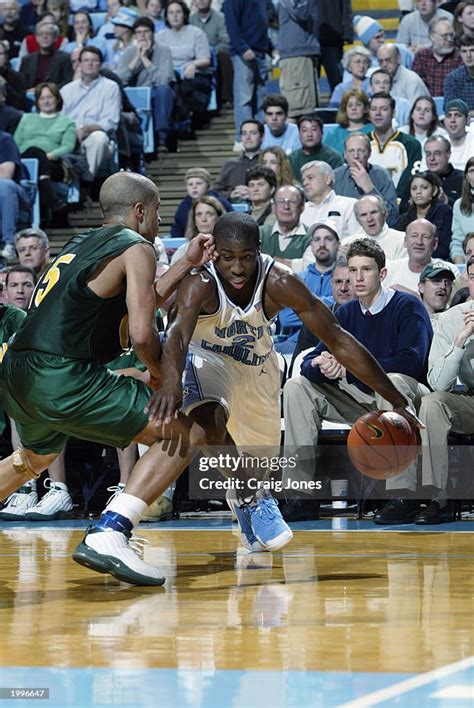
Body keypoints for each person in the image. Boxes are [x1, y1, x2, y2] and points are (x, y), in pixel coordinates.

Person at [144, 214, 420, 562]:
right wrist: (171, 381)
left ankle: (247, 504)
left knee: (254, 465)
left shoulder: (280, 280)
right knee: (210, 421)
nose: (238, 267)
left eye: (246, 256)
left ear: (260, 251)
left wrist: (395, 400)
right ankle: (252, 498)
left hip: (258, 370)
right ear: (215, 253)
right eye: (228, 256)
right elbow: (178, 335)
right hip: (207, 362)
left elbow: (337, 339)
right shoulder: (200, 281)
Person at [0, 171, 217, 586]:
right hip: (60, 373)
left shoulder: (83, 243)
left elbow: (140, 300)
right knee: (184, 435)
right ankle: (111, 531)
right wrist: (161, 377)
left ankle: (110, 528)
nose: (158, 221)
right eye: (156, 212)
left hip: (17, 370)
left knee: (32, 460)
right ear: (140, 211)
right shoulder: (138, 247)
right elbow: (139, 333)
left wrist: (188, 262)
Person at [282, 238, 432, 525]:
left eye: (366, 270)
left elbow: (411, 363)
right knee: (297, 386)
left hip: (407, 399)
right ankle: (300, 496)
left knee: (392, 381)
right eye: (353, 270)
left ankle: (403, 495)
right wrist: (319, 364)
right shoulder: (346, 312)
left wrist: (348, 368)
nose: (358, 278)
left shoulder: (407, 307)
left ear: (383, 273)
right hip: (363, 401)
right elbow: (309, 360)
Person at [413, 256, 474, 524]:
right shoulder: (451, 320)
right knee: (432, 403)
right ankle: (440, 497)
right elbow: (438, 384)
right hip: (470, 401)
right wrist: (461, 340)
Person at [13, 82, 76, 228]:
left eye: (50, 97)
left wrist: (50, 155)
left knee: (39, 154)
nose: (46, 101)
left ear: (57, 100)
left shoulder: (66, 121)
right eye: (42, 98)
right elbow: (16, 143)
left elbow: (68, 146)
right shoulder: (26, 118)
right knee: (35, 151)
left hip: (54, 164)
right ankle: (50, 194)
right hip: (26, 161)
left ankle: (44, 181)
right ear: (37, 101)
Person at [275, 218, 340, 353]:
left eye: (328, 239)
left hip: (332, 344)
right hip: (294, 343)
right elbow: (286, 318)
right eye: (317, 239)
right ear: (311, 245)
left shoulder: (344, 278)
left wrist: (302, 305)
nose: (322, 244)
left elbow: (340, 313)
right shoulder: (297, 278)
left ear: (338, 244)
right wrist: (328, 302)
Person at [61, 46, 120, 184]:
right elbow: (60, 118)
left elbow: (110, 122)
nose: (90, 63)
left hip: (97, 138)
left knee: (98, 138)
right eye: (86, 60)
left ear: (100, 64)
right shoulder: (67, 89)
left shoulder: (111, 87)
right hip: (71, 137)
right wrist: (72, 133)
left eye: (94, 60)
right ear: (79, 64)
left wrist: (86, 129)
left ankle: (87, 182)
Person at [116, 17, 175, 153]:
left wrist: (145, 59)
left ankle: (161, 138)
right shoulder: (129, 52)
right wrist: (137, 57)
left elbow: (163, 80)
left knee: (163, 91)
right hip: (134, 95)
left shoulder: (164, 51)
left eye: (146, 32)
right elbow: (120, 80)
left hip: (156, 93)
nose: (142, 35)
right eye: (138, 32)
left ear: (153, 33)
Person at [158, 1, 211, 129]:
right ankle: (180, 124)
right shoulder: (160, 36)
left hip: (192, 75)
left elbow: (206, 59)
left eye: (178, 12)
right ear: (166, 17)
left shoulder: (196, 33)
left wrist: (193, 64)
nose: (174, 16)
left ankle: (183, 123)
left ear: (185, 15)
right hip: (169, 76)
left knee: (185, 86)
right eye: (171, 13)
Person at [223, 0, 269, 145]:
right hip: (244, 53)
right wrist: (242, 48)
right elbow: (231, 25)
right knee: (244, 98)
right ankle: (242, 139)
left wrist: (270, 47)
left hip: (260, 51)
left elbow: (261, 25)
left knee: (261, 99)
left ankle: (260, 137)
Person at [333, 133, 399, 226]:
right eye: (351, 151)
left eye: (360, 150)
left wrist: (369, 188)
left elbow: (392, 217)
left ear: (369, 153)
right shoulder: (335, 177)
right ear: (345, 155)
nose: (356, 156)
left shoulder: (381, 175)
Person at [368, 93, 422, 198]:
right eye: (373, 109)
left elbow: (412, 179)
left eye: (384, 109)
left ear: (393, 113)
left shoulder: (410, 144)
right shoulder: (362, 143)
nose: (378, 113)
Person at [385, 219, 458, 293]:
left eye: (425, 237)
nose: (419, 242)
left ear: (435, 244)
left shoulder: (450, 271)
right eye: (414, 236)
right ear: (405, 241)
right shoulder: (390, 270)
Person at [277, 0, 319, 118]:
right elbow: (301, 13)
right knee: (297, 108)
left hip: (304, 52)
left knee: (308, 107)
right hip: (295, 54)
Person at [397, 172, 453, 260]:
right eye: (414, 188)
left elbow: (444, 247)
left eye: (424, 188)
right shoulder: (403, 219)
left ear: (434, 191)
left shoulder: (443, 211)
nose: (418, 192)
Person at [190, 0, 233, 110]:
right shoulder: (190, 20)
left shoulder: (221, 18)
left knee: (224, 57)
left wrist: (210, 52)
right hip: (196, 55)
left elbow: (225, 40)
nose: (201, 1)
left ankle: (225, 99)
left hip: (215, 52)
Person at [300, 160, 358, 240]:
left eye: (310, 178)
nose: (305, 183)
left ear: (327, 179)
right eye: (303, 180)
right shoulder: (300, 211)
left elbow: (357, 239)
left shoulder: (349, 205)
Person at [259, 184, 310, 272]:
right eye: (281, 201)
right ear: (273, 207)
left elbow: (309, 267)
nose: (286, 206)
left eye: (293, 202)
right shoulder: (261, 233)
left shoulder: (311, 235)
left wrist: (268, 260)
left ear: (302, 207)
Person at [0, 129, 33, 262]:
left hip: (16, 195)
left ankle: (9, 244)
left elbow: (5, 174)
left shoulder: (4, 139)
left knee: (4, 185)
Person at [170, 167, 232, 238]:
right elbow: (177, 230)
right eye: (190, 184)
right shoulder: (183, 206)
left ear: (208, 186)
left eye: (199, 183)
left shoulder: (221, 202)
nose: (194, 187)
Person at [341, 194, 407, 261]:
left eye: (373, 212)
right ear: (358, 220)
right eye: (363, 215)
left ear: (384, 213)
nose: (369, 219)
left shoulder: (402, 240)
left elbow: (401, 269)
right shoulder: (348, 243)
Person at [213, 119, 264, 201]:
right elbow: (215, 192)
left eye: (253, 133)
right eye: (244, 133)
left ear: (262, 137)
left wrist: (253, 193)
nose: (248, 137)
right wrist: (231, 194)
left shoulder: (268, 162)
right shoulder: (230, 164)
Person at [412, 17, 462, 97]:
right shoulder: (421, 57)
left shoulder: (460, 56)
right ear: (432, 37)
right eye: (445, 36)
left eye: (451, 35)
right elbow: (417, 87)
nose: (449, 39)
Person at [290, 115, 344, 183]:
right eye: (304, 130)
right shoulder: (291, 158)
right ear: (299, 134)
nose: (309, 134)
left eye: (313, 129)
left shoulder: (333, 158)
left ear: (322, 133)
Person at [19, 22, 72, 90]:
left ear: (55, 38)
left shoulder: (65, 58)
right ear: (36, 38)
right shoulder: (27, 60)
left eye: (48, 34)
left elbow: (67, 82)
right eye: (41, 34)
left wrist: (49, 90)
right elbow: (21, 83)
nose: (45, 37)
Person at [317, 0, 353, 92]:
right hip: (312, 40)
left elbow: (346, 8)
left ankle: (339, 104)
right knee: (311, 82)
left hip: (333, 39)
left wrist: (348, 33)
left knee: (336, 80)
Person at [324, 89, 373, 156]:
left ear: (365, 109)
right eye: (350, 105)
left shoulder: (374, 130)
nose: (354, 108)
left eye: (358, 105)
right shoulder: (333, 134)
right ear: (345, 109)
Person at [451, 157, 474, 263]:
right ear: (467, 177)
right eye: (472, 171)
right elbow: (457, 243)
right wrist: (460, 269)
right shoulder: (459, 205)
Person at [418, 261, 455, 326]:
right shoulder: (410, 318)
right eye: (436, 281)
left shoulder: (456, 318)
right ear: (421, 287)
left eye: (448, 282)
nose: (443, 287)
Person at [444, 34, 474, 110]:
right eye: (464, 51)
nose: (468, 55)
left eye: (472, 50)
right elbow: (449, 109)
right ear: (460, 53)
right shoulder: (453, 78)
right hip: (463, 121)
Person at [443, 99, 474, 170]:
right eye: (448, 116)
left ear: (467, 120)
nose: (452, 120)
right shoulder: (438, 144)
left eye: (458, 115)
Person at [0, 40, 27, 111]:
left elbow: (20, 103)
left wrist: (5, 84)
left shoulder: (17, 77)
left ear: (6, 57)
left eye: (0, 54)